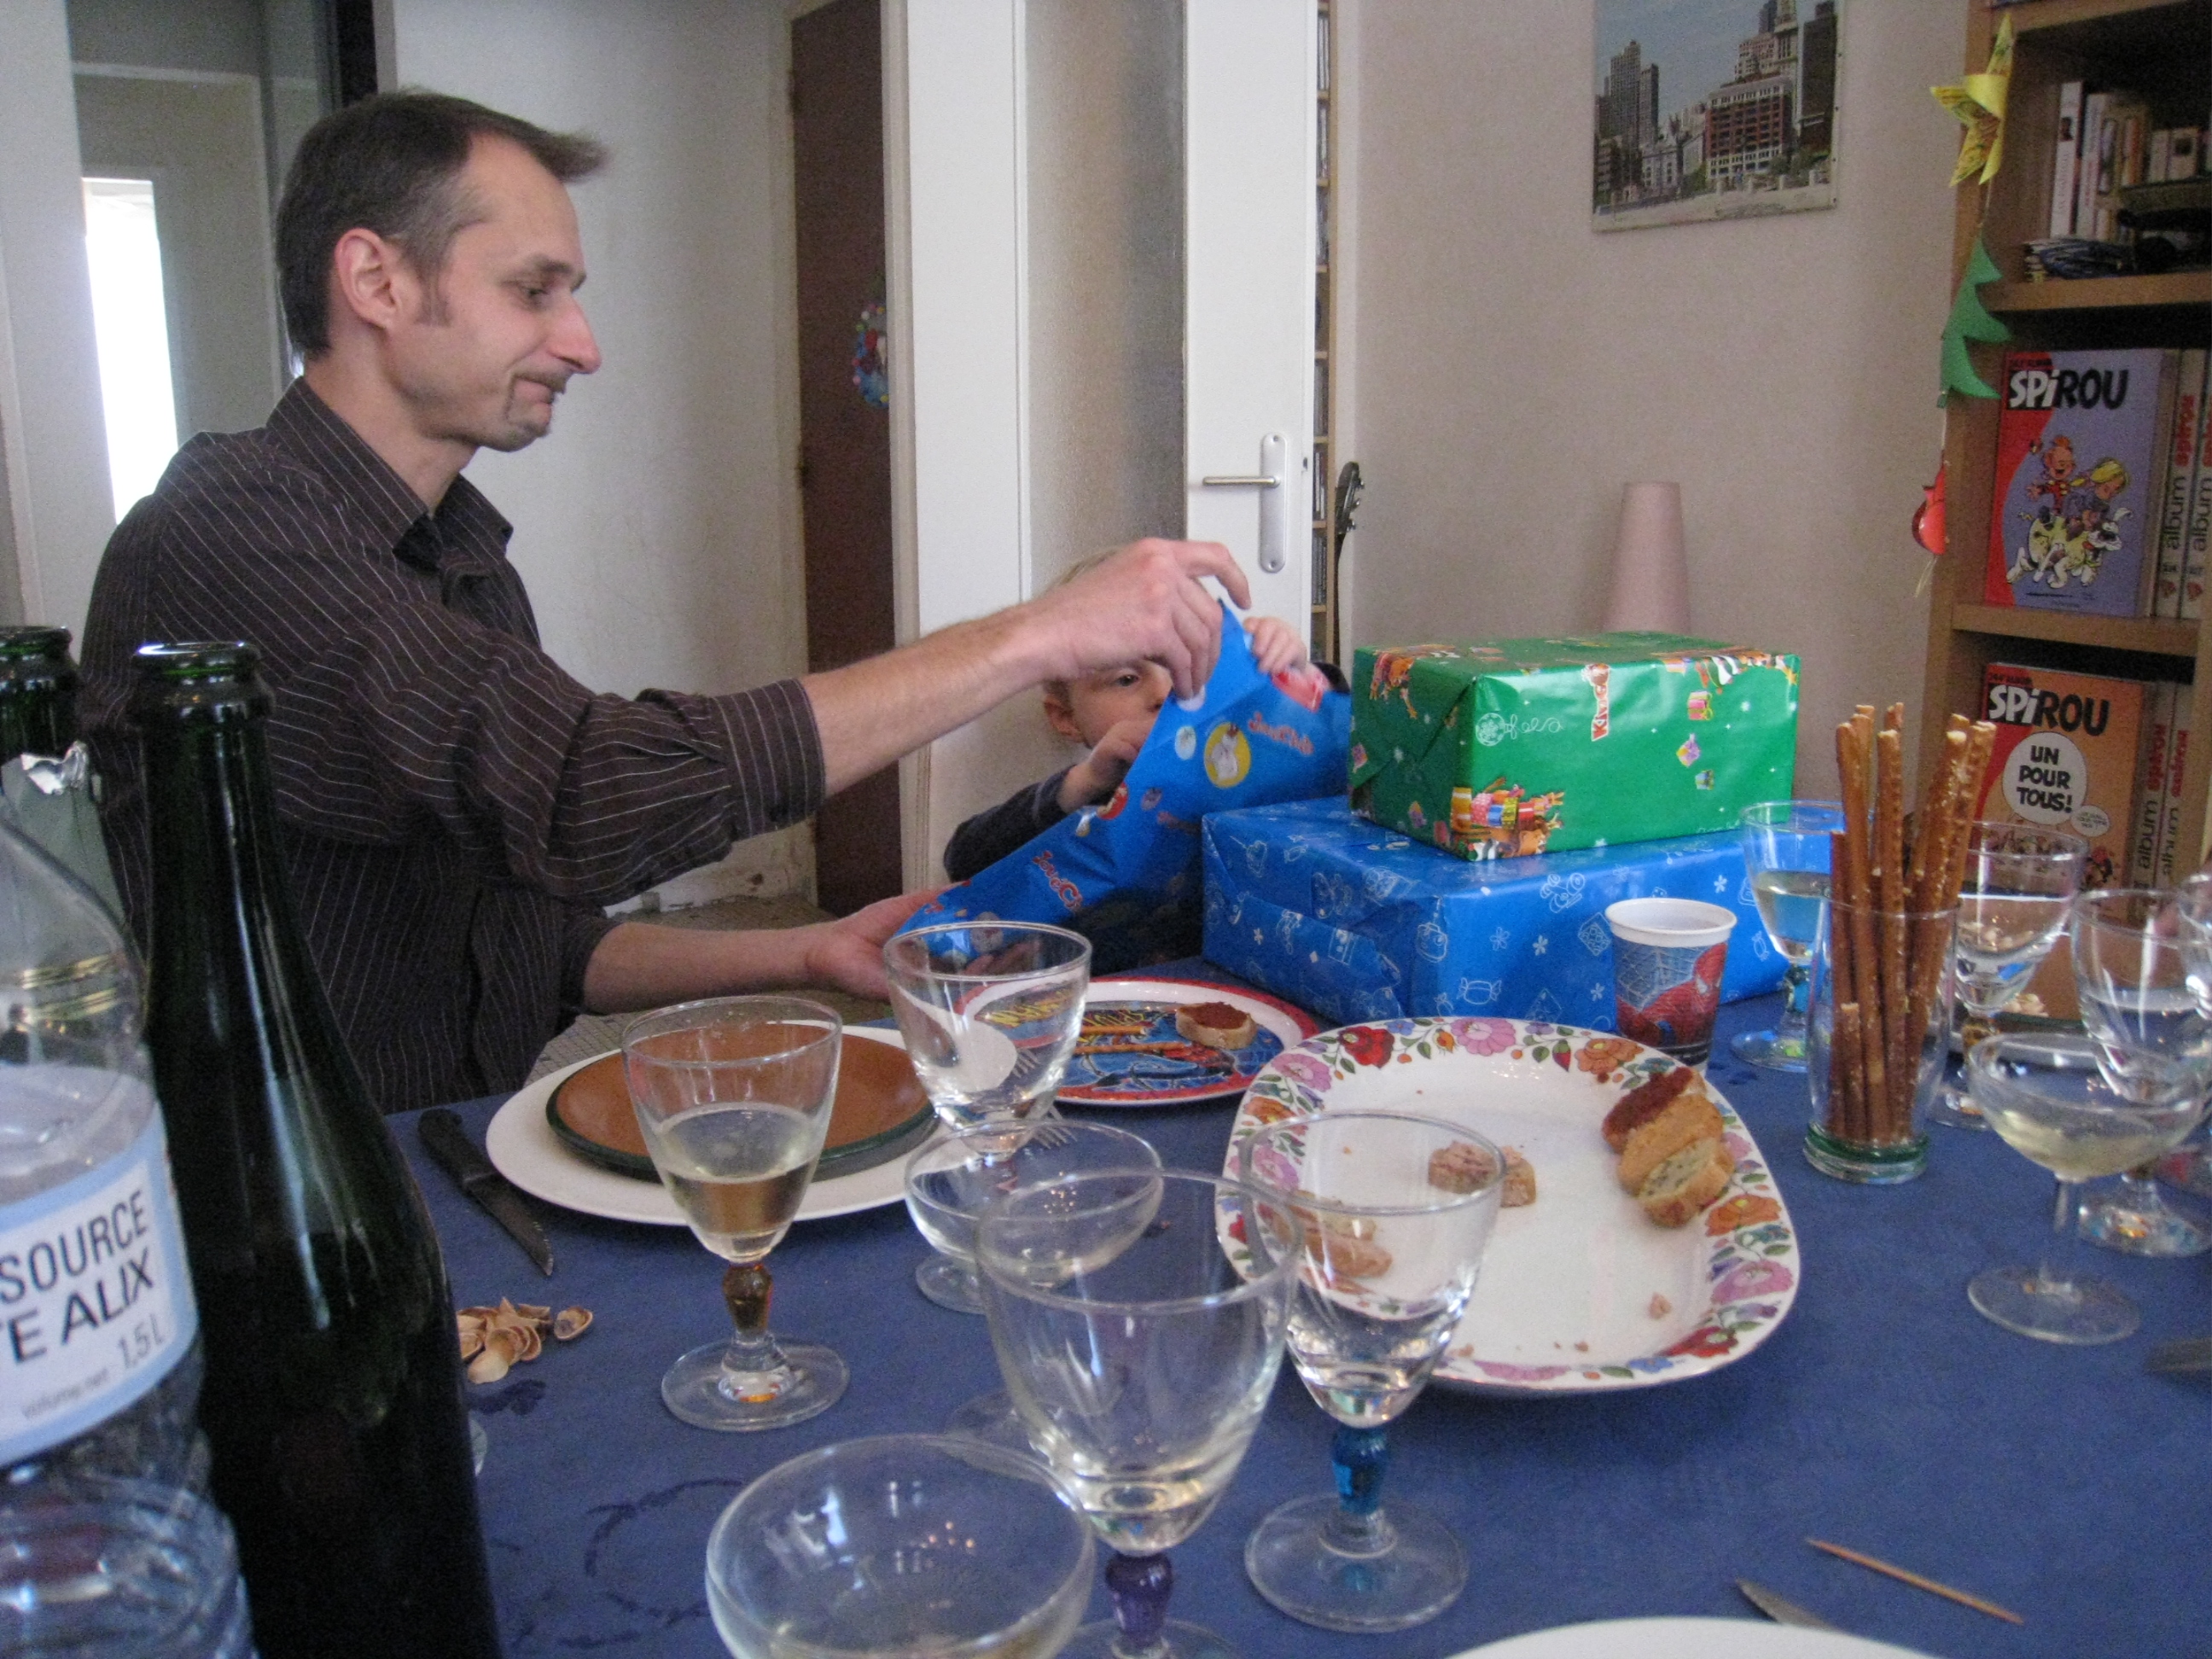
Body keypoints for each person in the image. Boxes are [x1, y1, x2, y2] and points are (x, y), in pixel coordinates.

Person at [79, 90, 1249, 1114]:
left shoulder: (461, 557)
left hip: (453, 1144)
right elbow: (584, 795)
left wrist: (807, 951)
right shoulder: (225, 537)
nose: (582, 345)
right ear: (377, 280)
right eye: (533, 291)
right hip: (294, 1200)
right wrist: (1038, 633)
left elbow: (526, 936)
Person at [941, 555, 1308, 880]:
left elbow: (1325, 792)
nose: (1165, 693)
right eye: (1126, 679)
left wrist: (1291, 684)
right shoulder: (1090, 790)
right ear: (1067, 718)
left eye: (1188, 662)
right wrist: (1083, 782)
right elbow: (963, 859)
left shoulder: (1245, 757)